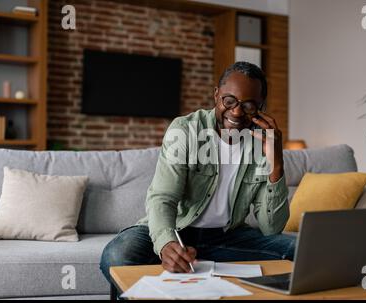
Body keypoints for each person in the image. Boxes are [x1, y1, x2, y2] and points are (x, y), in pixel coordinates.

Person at [100, 62, 295, 282]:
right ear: (216, 95)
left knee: (298, 251)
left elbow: (271, 228)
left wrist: (276, 162)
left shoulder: (262, 142)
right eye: (229, 101)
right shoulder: (185, 130)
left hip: (228, 236)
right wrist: (167, 244)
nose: (237, 111)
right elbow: (163, 198)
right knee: (117, 255)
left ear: (261, 106)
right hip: (177, 228)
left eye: (249, 105)